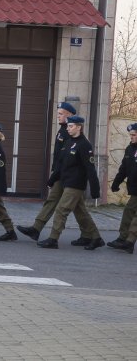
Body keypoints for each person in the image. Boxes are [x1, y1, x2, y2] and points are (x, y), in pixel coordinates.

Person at [16, 102, 92, 246]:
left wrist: (54, 176)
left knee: (71, 207)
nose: (58, 116)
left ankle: (89, 235)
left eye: (61, 113)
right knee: (70, 205)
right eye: (58, 114)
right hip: (61, 173)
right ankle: (36, 228)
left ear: (70, 115)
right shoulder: (62, 130)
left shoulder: (69, 132)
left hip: (66, 175)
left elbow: (66, 158)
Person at [37, 115, 104, 250]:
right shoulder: (69, 142)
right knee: (81, 212)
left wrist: (95, 190)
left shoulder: (85, 145)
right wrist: (51, 180)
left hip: (75, 184)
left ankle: (53, 239)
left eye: (71, 126)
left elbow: (90, 169)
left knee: (61, 210)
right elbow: (61, 165)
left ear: (79, 127)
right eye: (67, 126)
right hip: (65, 181)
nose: (68, 128)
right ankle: (95, 238)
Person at [107, 122, 137, 252]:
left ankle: (129, 241)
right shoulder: (130, 149)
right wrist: (116, 183)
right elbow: (124, 168)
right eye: (130, 135)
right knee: (128, 211)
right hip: (135, 188)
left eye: (134, 135)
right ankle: (123, 238)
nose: (131, 137)